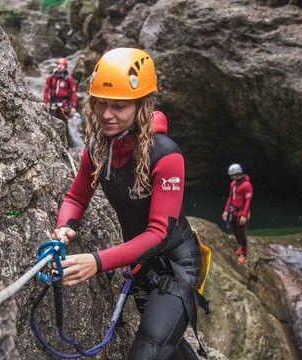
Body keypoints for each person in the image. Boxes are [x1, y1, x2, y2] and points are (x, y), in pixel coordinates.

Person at [51, 48, 209, 360]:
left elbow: (159, 234)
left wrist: (97, 262)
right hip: (141, 264)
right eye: (100, 103)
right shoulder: (98, 149)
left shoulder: (165, 155)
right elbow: (76, 198)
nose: (106, 114)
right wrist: (63, 228)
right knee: (167, 345)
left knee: (148, 350)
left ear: (142, 105)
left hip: (177, 267)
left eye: (119, 106)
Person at [222, 163, 253, 264]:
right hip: (233, 211)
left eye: (232, 175)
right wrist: (226, 210)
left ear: (237, 174)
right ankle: (239, 245)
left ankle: (244, 253)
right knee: (234, 229)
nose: (230, 177)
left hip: (241, 212)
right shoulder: (233, 184)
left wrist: (244, 215)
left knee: (242, 233)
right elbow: (230, 198)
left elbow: (248, 201)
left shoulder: (247, 185)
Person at [43, 58, 78, 123]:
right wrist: (45, 103)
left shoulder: (69, 79)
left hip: (64, 104)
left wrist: (74, 107)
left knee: (65, 121)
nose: (59, 66)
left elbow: (73, 92)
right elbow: (46, 90)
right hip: (53, 103)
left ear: (65, 67)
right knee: (52, 121)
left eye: (62, 65)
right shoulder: (51, 77)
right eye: (58, 64)